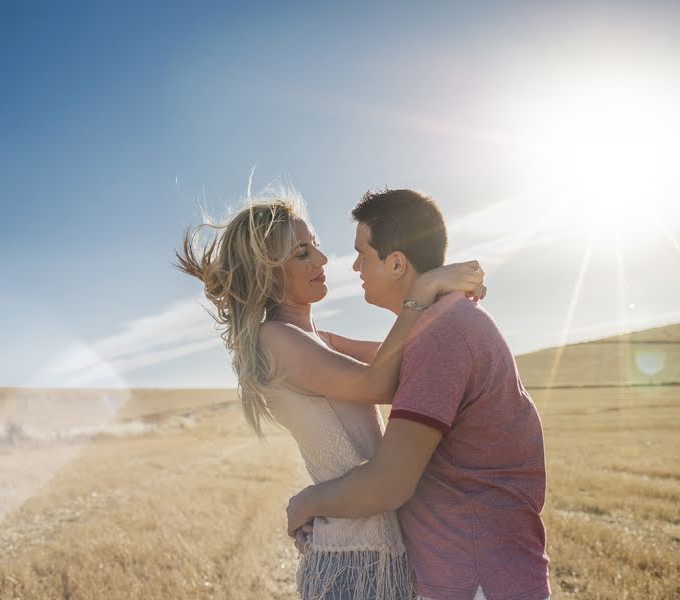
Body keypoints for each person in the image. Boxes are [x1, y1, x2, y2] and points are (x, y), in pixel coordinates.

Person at [175, 188, 486, 600]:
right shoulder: (276, 339)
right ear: (267, 272)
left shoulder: (315, 339)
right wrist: (423, 289)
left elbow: (410, 361)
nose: (322, 261)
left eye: (316, 247)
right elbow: (378, 383)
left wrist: (445, 299)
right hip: (351, 565)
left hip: (377, 551)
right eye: (302, 252)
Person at [286, 189, 551, 600]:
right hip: (479, 577)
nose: (355, 266)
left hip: (476, 583)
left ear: (395, 264)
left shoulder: (443, 338)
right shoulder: (443, 325)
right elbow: (352, 352)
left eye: (363, 254)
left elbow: (388, 484)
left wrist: (306, 504)